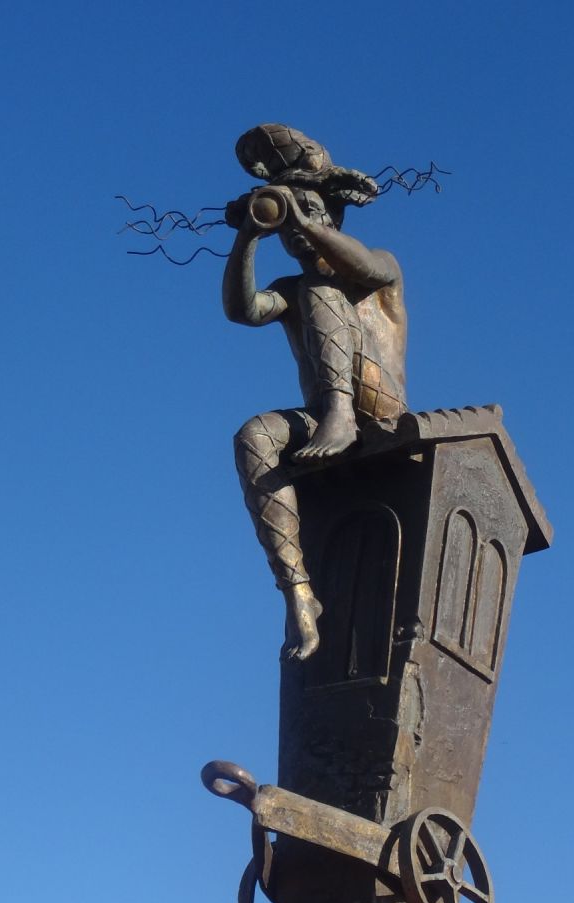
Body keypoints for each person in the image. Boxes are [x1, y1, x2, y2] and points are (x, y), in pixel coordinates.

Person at [222, 125, 409, 661]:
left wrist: (301, 215)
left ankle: (342, 414)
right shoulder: (290, 290)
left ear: (331, 213)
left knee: (321, 287)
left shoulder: (380, 268)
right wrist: (248, 237)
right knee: (253, 436)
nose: (298, 229)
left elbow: (364, 266)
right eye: (289, 221)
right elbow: (244, 311)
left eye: (310, 210)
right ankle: (299, 593)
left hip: (378, 409)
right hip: (321, 417)